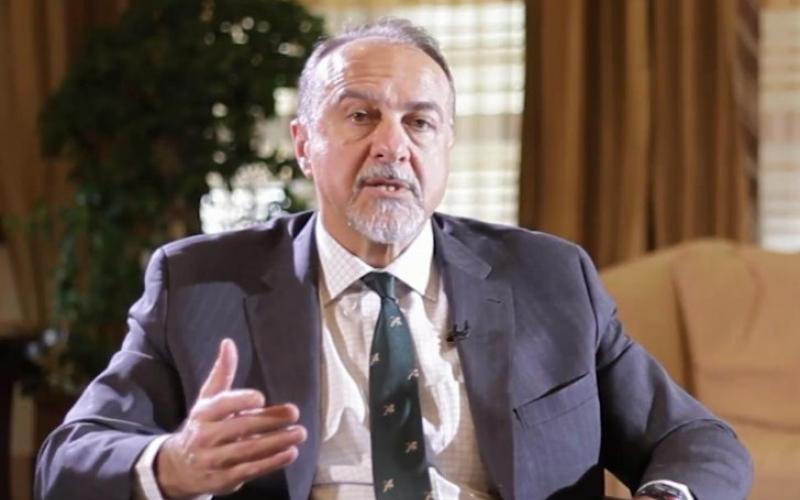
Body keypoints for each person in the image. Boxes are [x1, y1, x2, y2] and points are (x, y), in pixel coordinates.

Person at [34, 18, 752, 500]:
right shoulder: (200, 284)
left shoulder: (550, 279)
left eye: (419, 122)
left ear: (446, 146)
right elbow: (67, 459)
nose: (392, 146)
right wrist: (175, 464)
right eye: (360, 116)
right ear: (304, 144)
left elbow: (696, 438)